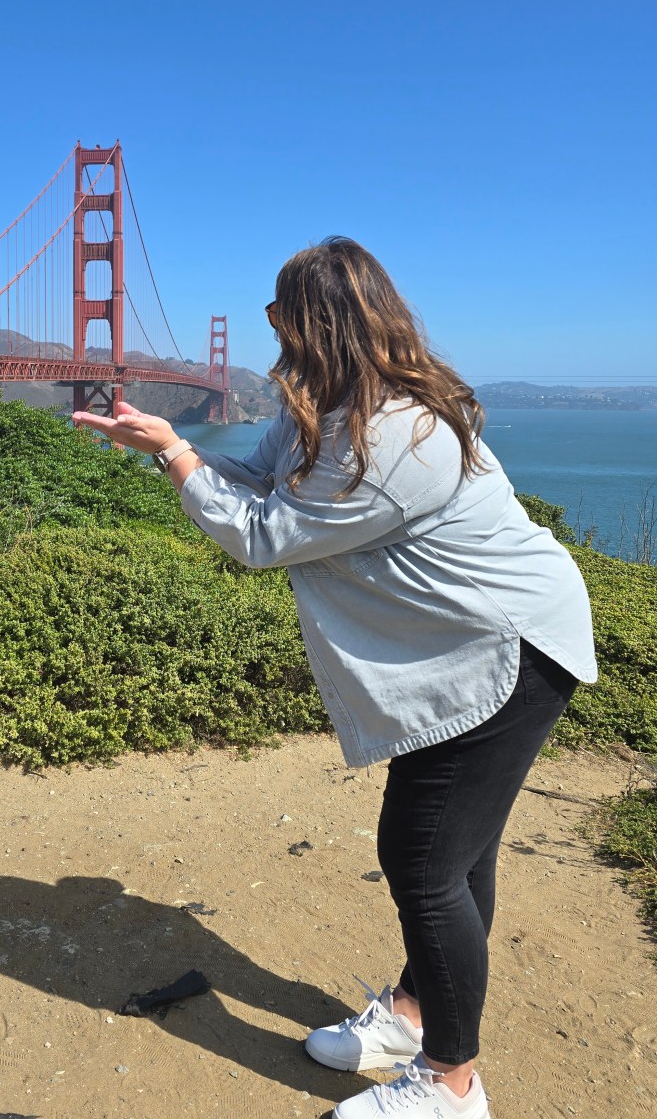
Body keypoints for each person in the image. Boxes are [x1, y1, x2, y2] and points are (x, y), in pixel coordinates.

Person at [72, 236, 596, 1119]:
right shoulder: (327, 401)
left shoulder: (399, 433)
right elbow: (259, 482)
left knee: (423, 861)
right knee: (453, 857)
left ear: (314, 323)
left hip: (507, 650)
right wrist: (173, 448)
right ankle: (414, 1016)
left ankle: (452, 1085)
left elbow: (265, 535)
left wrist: (176, 456)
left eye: (279, 313)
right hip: (459, 643)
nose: (272, 328)